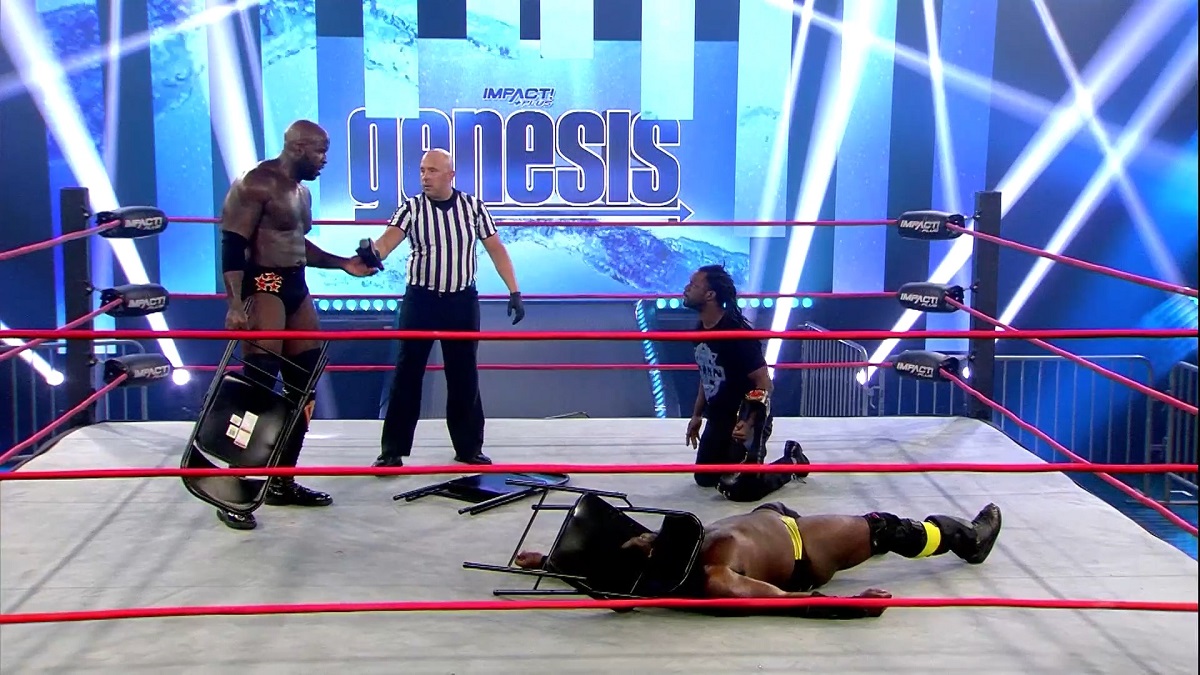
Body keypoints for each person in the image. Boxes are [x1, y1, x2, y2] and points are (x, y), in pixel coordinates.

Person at [217, 119, 376, 530]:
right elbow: (233, 243)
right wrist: (235, 304)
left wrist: (343, 264)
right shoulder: (255, 183)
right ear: (299, 147)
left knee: (304, 385)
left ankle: (281, 480)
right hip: (264, 285)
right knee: (258, 387)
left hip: (295, 286)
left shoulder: (301, 192)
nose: (325, 160)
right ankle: (234, 486)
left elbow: (297, 244)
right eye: (320, 151)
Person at [515, 500, 1002, 619]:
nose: (646, 539)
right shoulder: (717, 579)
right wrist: (853, 605)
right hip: (804, 549)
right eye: (649, 544)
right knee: (884, 529)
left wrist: (554, 564)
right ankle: (966, 539)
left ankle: (790, 464)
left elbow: (618, 562)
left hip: (771, 519)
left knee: (765, 500)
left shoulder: (668, 546)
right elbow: (786, 601)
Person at [362, 148, 524, 468]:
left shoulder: (473, 207)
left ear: (450, 175)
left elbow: (496, 248)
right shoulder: (411, 208)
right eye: (423, 170)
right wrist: (372, 253)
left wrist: (514, 290)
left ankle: (469, 448)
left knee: (464, 375)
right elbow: (387, 242)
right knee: (407, 374)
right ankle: (392, 450)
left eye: (433, 171)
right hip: (421, 299)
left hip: (460, 300)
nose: (425, 177)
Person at [682, 264, 795, 500]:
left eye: (693, 285)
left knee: (741, 489)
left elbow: (765, 383)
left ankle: (792, 461)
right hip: (720, 417)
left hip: (746, 416)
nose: (686, 288)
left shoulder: (737, 334)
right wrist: (697, 415)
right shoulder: (700, 330)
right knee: (705, 479)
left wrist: (748, 422)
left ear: (710, 294)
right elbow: (707, 375)